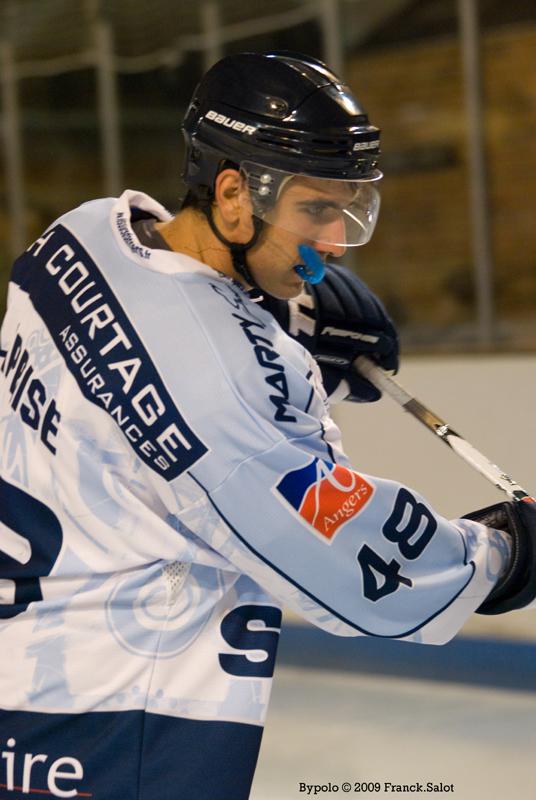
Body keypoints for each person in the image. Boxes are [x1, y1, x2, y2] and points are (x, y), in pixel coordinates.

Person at [0, 51, 535, 800]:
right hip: (123, 728)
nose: (338, 242)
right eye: (317, 211)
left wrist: (278, 315)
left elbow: (160, 328)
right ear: (232, 194)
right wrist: (501, 556)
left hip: (28, 692)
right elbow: (349, 561)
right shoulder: (224, 391)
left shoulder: (78, 239)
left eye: (352, 210)